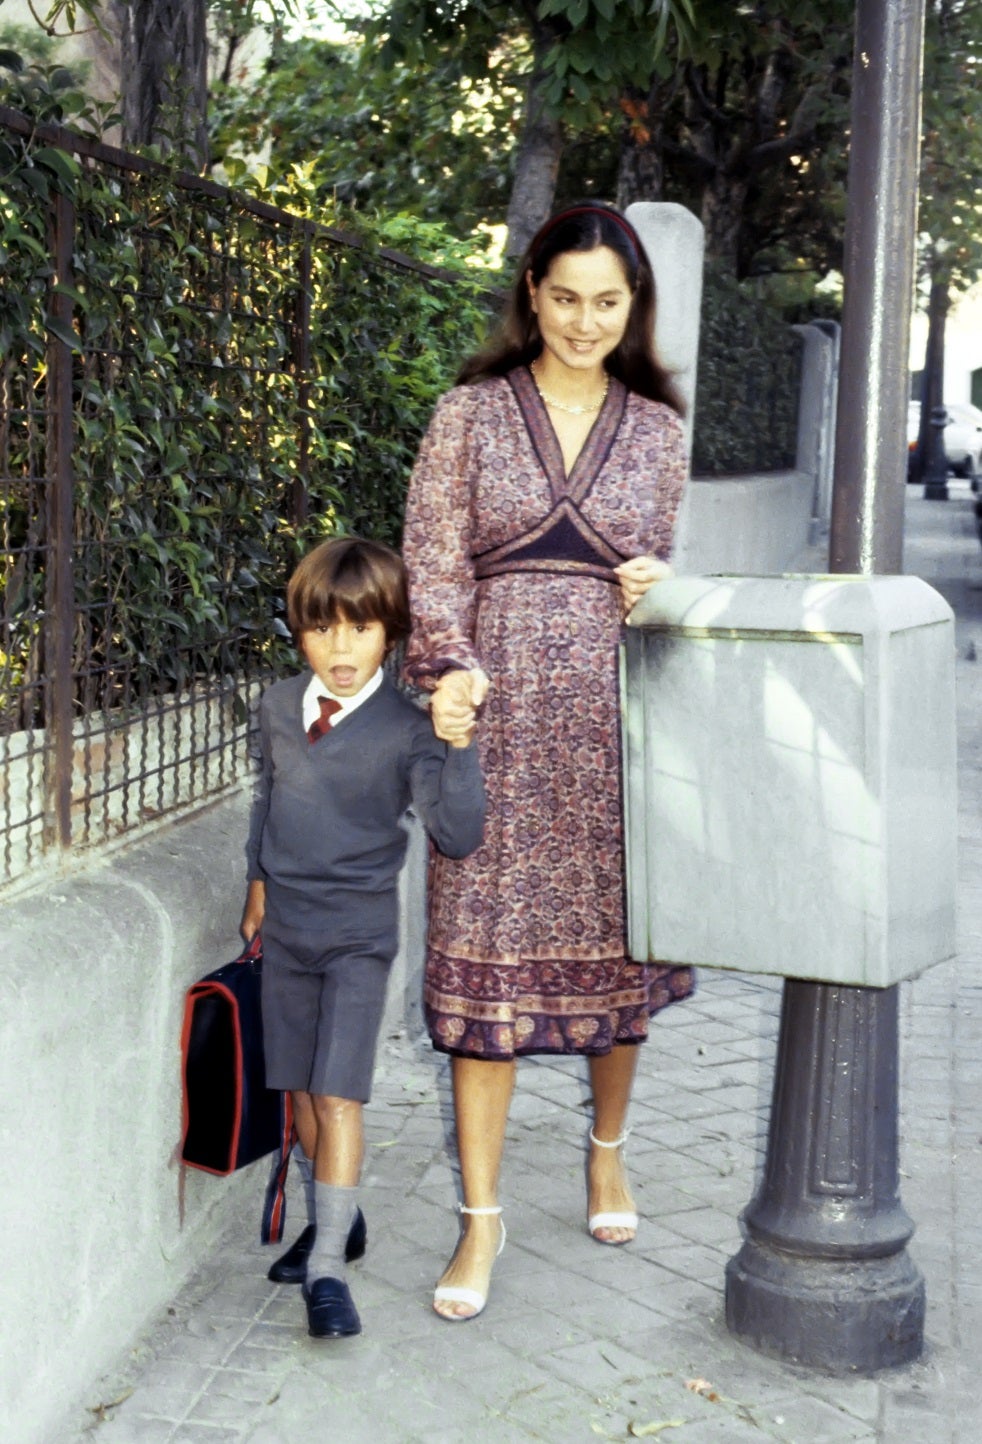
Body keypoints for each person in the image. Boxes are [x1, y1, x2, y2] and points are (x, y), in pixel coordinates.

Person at [401, 201, 695, 1322]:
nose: (583, 322)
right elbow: (433, 567)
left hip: (618, 728)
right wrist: (451, 671)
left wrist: (658, 586)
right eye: (564, 297)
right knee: (483, 978)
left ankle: (606, 1152)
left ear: (634, 308)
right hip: (497, 723)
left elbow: (670, 581)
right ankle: (481, 1222)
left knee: (619, 960)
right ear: (530, 290)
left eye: (606, 303)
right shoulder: (469, 415)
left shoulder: (659, 432)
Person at [240, 535, 485, 1340]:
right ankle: (339, 1219)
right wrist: (256, 883)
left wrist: (459, 745)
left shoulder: (407, 729)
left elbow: (457, 833)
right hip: (287, 931)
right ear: (298, 631)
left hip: (357, 935)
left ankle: (327, 1274)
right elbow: (268, 803)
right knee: (303, 1091)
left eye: (361, 629)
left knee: (339, 1091)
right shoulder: (277, 707)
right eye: (321, 629)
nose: (340, 648)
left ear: (392, 634)